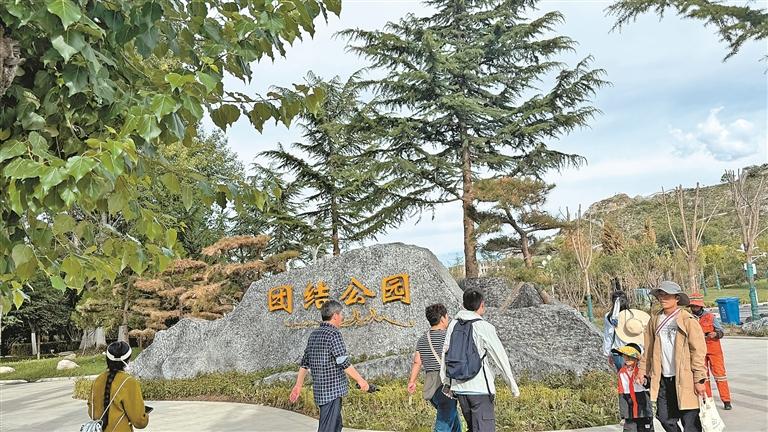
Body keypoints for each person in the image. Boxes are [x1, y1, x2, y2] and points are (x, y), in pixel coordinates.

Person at [441, 289, 520, 432]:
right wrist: (513, 386)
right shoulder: (484, 327)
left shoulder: (453, 324)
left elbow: (445, 353)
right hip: (480, 389)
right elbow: (500, 356)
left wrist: (447, 382)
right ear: (481, 304)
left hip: (460, 389)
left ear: (464, 304)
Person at [289, 300, 370, 432]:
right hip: (333, 392)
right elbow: (343, 361)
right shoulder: (334, 334)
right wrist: (361, 380)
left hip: (321, 392)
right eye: (341, 314)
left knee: (336, 426)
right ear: (335, 316)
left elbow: (304, 364)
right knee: (328, 428)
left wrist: (298, 385)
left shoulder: (314, 335)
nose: (342, 317)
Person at [637, 281, 707, 432]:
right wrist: (642, 370)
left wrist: (699, 379)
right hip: (663, 377)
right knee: (664, 418)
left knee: (690, 422)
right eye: (660, 295)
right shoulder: (654, 320)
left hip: (685, 377)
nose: (662, 298)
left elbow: (698, 351)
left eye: (667, 295)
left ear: (677, 298)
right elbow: (648, 348)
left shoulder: (688, 320)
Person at [407, 303, 462, 432]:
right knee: (443, 424)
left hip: (431, 387)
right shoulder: (449, 337)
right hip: (445, 385)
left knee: (452, 418)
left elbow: (417, 362)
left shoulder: (422, 339)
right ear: (442, 318)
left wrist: (412, 381)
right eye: (447, 317)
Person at [86, 341, 149, 432]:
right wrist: (145, 416)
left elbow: (91, 411)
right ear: (128, 360)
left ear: (107, 359)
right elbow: (139, 421)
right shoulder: (129, 382)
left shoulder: (97, 380)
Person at [688, 293, 732, 410]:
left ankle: (726, 400)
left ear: (701, 306)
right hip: (698, 351)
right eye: (693, 306)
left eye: (696, 306)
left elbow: (721, 331)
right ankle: (707, 400)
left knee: (720, 375)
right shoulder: (688, 318)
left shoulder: (711, 317)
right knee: (703, 376)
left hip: (714, 350)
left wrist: (715, 334)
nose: (694, 308)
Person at [613, 344, 654, 432]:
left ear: (637, 357)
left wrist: (644, 381)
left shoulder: (642, 370)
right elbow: (621, 393)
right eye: (625, 356)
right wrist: (623, 415)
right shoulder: (622, 373)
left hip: (644, 411)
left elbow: (649, 384)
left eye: (630, 356)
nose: (626, 358)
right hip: (629, 411)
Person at [604, 291, 631, 370]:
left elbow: (608, 335)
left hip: (618, 352)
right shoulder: (633, 315)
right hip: (634, 351)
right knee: (634, 376)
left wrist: (607, 353)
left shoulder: (610, 316)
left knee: (623, 375)